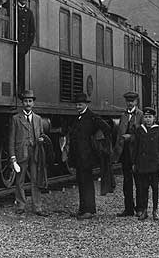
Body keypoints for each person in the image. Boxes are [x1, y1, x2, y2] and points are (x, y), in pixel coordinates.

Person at [67, 92, 111, 220]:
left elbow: (106, 128)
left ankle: (90, 210)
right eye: (77, 105)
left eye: (80, 104)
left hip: (87, 156)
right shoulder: (78, 118)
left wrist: (98, 144)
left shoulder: (92, 117)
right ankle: (82, 209)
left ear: (85, 104)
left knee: (87, 183)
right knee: (81, 181)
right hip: (78, 156)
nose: (78, 107)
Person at [8, 90, 48, 216]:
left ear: (33, 103)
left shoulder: (38, 119)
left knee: (36, 180)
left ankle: (37, 207)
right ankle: (20, 205)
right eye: (25, 101)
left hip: (35, 153)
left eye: (30, 101)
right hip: (21, 153)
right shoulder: (15, 119)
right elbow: (11, 140)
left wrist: (41, 139)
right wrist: (13, 158)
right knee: (20, 180)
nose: (28, 103)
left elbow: (41, 134)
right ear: (22, 103)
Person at [112, 91, 144, 217]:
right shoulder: (123, 115)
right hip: (125, 153)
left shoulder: (141, 115)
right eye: (128, 101)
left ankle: (140, 208)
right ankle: (128, 208)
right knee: (127, 182)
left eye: (132, 101)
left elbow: (143, 134)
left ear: (136, 102)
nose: (130, 103)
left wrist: (131, 137)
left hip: (136, 153)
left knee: (139, 181)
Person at [133, 107, 159, 221]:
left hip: (154, 164)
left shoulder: (158, 130)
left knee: (155, 188)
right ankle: (144, 211)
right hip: (142, 164)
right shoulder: (139, 130)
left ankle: (155, 210)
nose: (148, 119)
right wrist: (134, 162)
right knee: (143, 188)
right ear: (143, 118)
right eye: (146, 117)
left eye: (150, 117)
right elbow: (135, 148)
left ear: (154, 118)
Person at [15, 0, 35, 94]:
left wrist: (27, 46)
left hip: (22, 47)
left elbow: (32, 32)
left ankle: (20, 91)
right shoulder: (13, 8)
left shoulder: (29, 13)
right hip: (14, 44)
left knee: (21, 71)